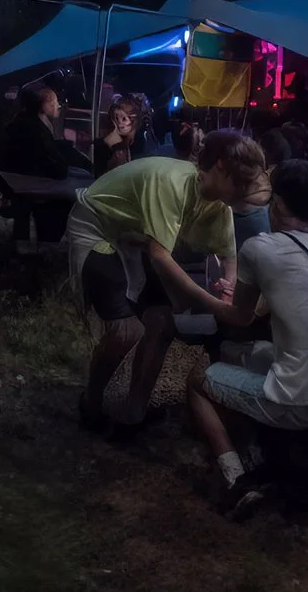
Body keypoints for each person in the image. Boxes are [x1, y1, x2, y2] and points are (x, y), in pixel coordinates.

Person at [63, 129, 268, 436]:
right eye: (240, 183)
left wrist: (228, 289)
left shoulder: (219, 200)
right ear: (221, 167)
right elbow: (160, 256)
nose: (243, 193)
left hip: (137, 237)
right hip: (99, 227)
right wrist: (213, 304)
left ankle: (134, 412)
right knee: (127, 331)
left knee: (161, 322)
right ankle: (91, 401)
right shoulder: (170, 182)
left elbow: (229, 257)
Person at [186, 160, 308, 505]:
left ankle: (235, 477)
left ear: (280, 205)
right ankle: (258, 450)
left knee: (197, 379)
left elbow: (239, 317)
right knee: (232, 354)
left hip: (298, 401)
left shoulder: (259, 248)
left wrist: (200, 294)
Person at [0, 84, 84, 180]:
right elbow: (57, 168)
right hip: (32, 180)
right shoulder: (34, 128)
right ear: (41, 105)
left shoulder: (18, 123)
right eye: (52, 104)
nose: (57, 106)